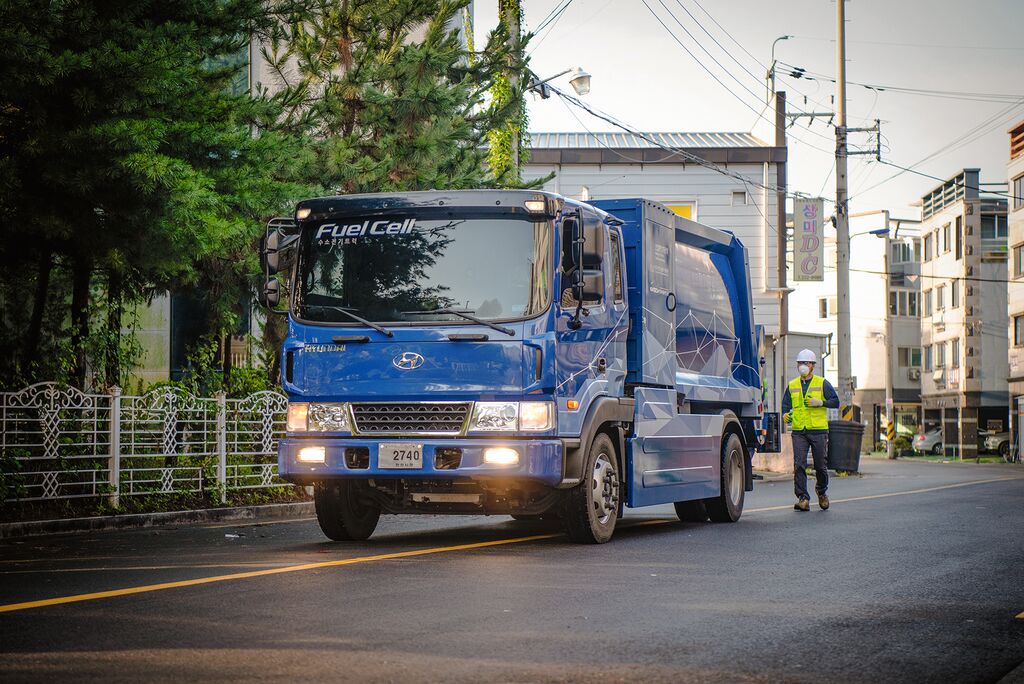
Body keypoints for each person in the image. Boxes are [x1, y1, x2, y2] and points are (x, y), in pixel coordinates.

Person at [782, 349, 840, 511]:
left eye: (806, 363)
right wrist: (785, 415)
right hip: (799, 431)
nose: (802, 366)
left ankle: (821, 492)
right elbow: (785, 404)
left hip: (819, 430)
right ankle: (803, 498)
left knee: (820, 465)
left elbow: (835, 402)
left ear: (813, 366)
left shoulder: (822, 383)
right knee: (799, 464)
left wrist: (821, 402)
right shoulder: (792, 385)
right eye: (800, 363)